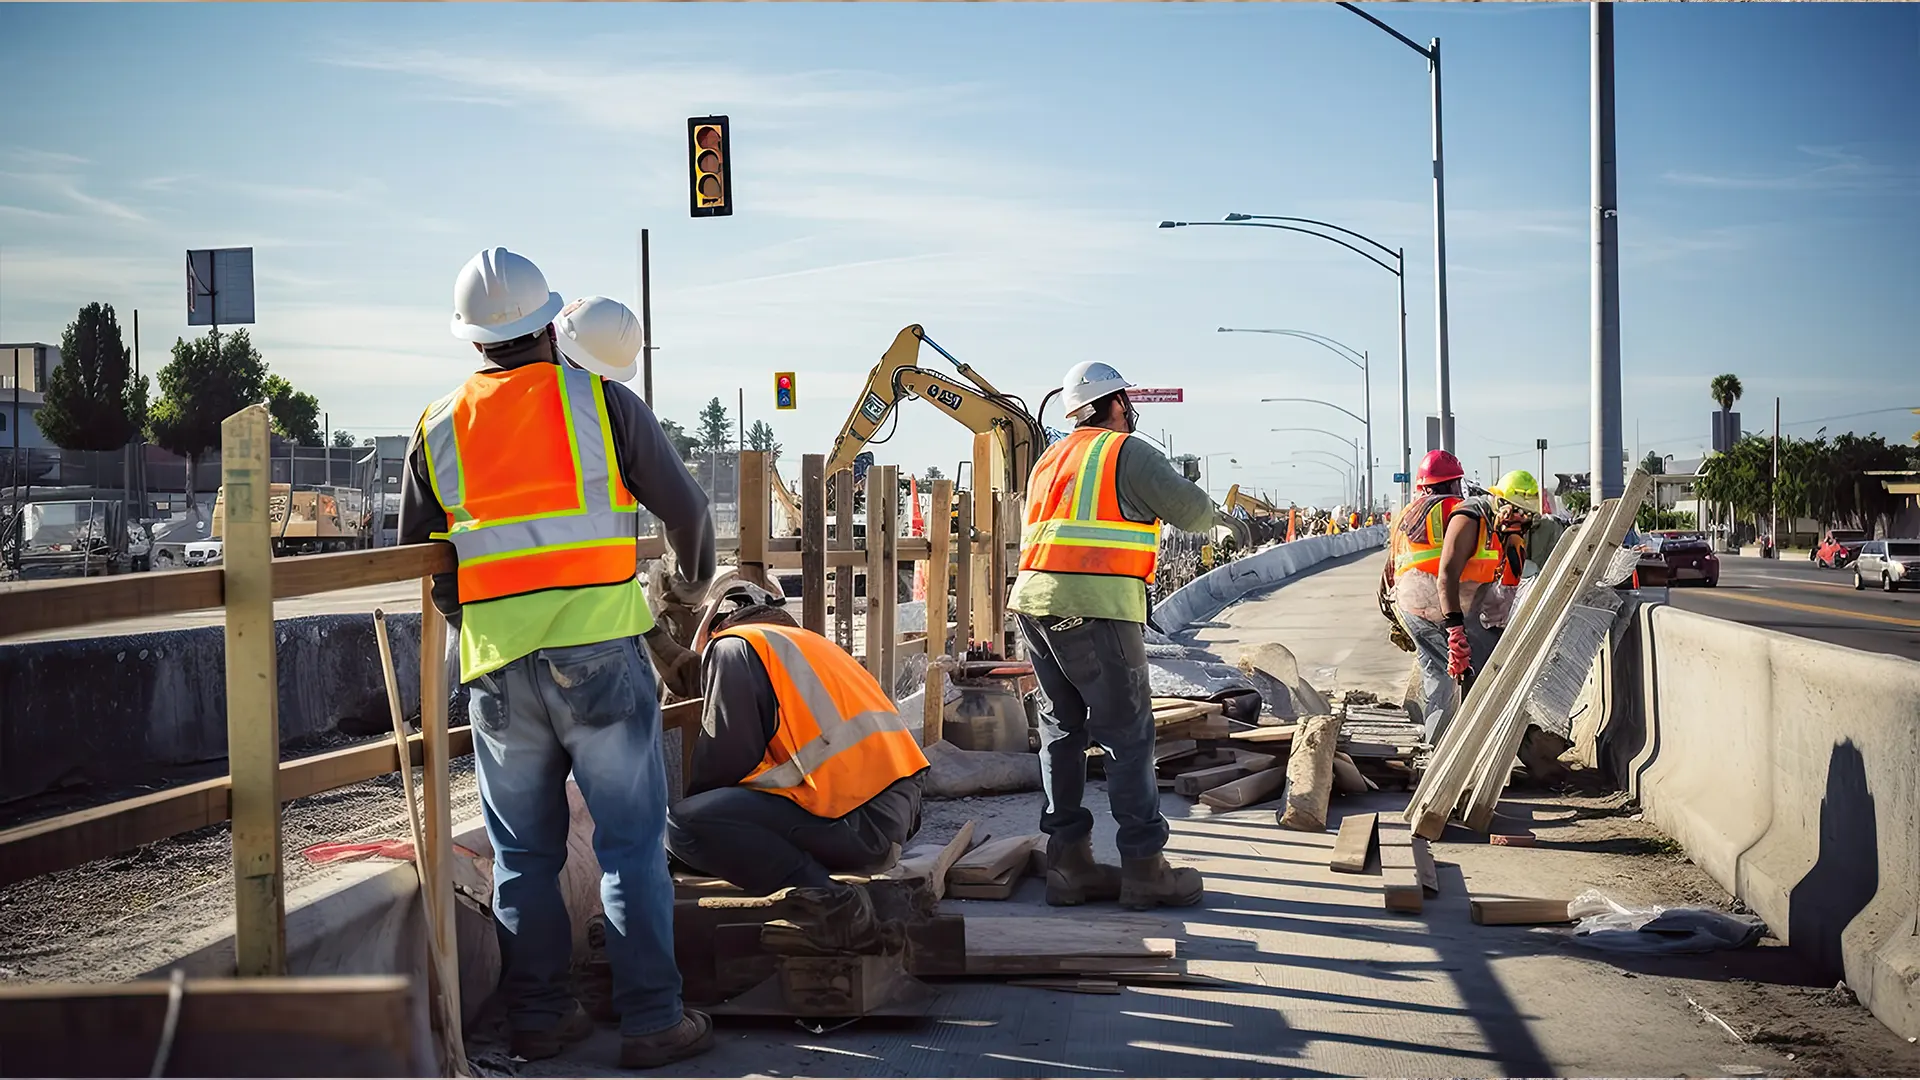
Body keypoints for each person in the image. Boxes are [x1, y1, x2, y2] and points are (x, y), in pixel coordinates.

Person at [400, 250, 715, 1069]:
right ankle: (652, 1020)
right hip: (602, 657)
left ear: (472, 342)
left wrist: (474, 621)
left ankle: (539, 1019)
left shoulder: (435, 426)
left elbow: (423, 562)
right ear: (548, 326)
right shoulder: (604, 405)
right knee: (631, 842)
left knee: (523, 857)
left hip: (500, 667)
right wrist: (684, 589)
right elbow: (687, 512)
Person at [1009, 361, 1250, 911]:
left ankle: (1067, 864)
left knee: (1062, 733)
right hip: (1095, 610)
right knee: (1128, 736)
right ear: (1114, 403)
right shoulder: (1127, 451)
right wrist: (1226, 518)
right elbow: (1189, 512)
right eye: (1125, 400)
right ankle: (1144, 869)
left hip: (1034, 607)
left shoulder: (1050, 458)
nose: (1129, 410)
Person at [664, 583, 930, 948]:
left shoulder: (733, 647)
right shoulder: (807, 647)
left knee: (684, 822)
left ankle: (826, 897)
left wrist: (693, 843)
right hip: (894, 812)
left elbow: (725, 761)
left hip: (860, 822)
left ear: (715, 630)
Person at [1381, 450, 1501, 744]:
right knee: (1459, 673)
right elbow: (1449, 572)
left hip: (1408, 604)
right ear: (1454, 483)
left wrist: (1393, 615)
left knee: (1436, 673)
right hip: (1444, 603)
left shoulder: (1406, 514)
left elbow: (1390, 568)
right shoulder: (1458, 509)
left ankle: (1437, 745)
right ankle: (1449, 751)